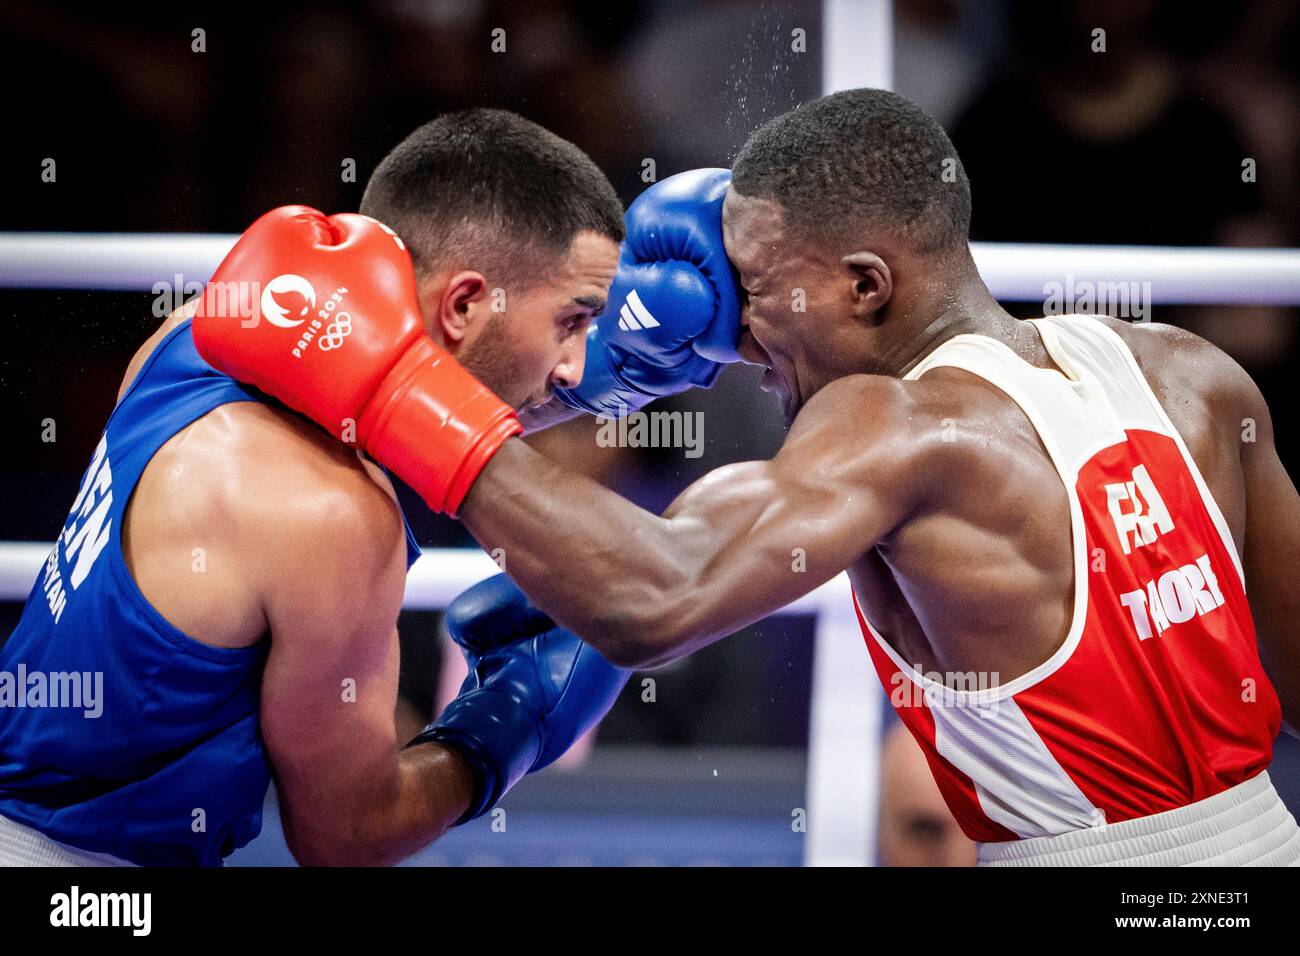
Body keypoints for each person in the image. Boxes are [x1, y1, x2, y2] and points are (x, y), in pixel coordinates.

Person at [205, 89, 1300, 866]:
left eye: (757, 295)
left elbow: (652, 595)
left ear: (867, 285)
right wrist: (592, 386)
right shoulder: (1191, 373)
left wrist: (396, 385)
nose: (733, 338)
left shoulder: (890, 422)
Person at [0, 107, 735, 866]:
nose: (581, 364)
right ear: (463, 304)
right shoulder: (333, 517)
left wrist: (584, 394)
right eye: (573, 320)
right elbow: (347, 836)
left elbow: (418, 401)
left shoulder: (194, 335)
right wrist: (506, 725)